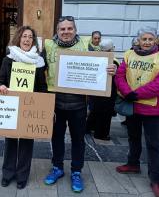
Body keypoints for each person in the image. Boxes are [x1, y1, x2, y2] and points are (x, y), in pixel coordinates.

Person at [43, 16, 116, 193]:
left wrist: (112, 68)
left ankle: (76, 171)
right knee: (56, 137)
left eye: (70, 28)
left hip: (78, 105)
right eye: (62, 29)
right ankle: (57, 168)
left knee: (78, 139)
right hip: (55, 103)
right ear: (57, 31)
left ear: (75, 30)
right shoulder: (48, 46)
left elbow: (103, 63)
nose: (66, 32)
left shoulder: (87, 45)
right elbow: (37, 68)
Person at [115, 27, 159, 197]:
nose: (147, 42)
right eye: (144, 39)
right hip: (133, 106)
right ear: (138, 40)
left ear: (155, 41)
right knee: (133, 137)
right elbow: (120, 75)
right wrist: (127, 92)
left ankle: (156, 178)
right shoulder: (129, 54)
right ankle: (133, 164)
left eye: (150, 39)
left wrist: (135, 94)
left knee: (153, 144)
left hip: (153, 108)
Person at [0, 26, 47, 189]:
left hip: (30, 107)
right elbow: (0, 80)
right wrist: (1, 86)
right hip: (11, 105)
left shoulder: (38, 62)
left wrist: (43, 105)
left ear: (34, 40)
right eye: (24, 36)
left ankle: (22, 176)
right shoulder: (8, 59)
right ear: (19, 38)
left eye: (30, 37)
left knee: (26, 142)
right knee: (10, 140)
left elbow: (42, 86)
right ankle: (7, 173)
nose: (27, 40)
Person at [86, 39, 119, 140]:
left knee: (95, 110)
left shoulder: (97, 57)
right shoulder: (113, 61)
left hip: (96, 90)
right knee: (105, 114)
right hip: (108, 91)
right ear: (111, 49)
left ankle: (88, 128)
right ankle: (101, 134)